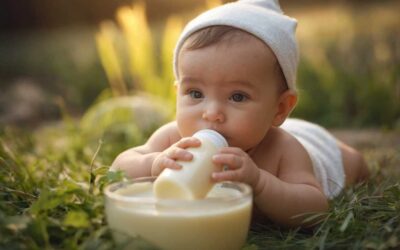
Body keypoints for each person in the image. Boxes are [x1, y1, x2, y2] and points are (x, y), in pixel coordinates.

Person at [110, 0, 369, 227]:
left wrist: (260, 183)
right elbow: (119, 168)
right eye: (195, 94)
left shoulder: (283, 148)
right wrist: (152, 163)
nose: (211, 114)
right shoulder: (174, 141)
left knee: (352, 162)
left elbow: (315, 207)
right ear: (178, 91)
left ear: (279, 109)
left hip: (314, 141)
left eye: (237, 97)